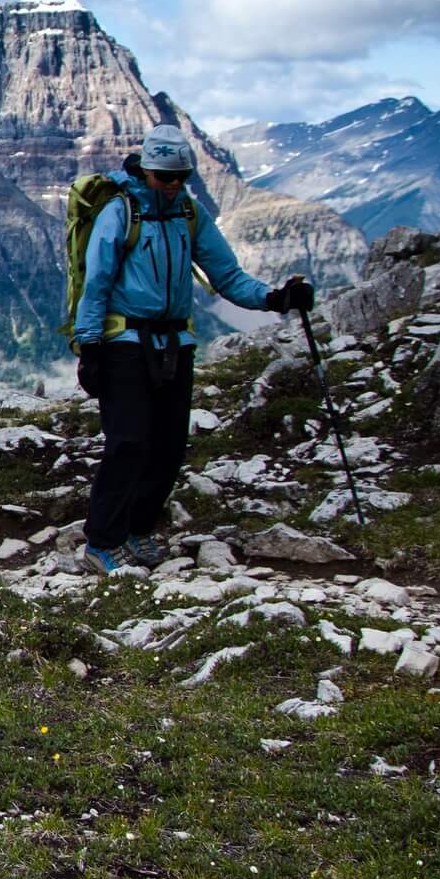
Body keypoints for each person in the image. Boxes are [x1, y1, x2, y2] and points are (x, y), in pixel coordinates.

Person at [73, 123, 311, 573]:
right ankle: (101, 543)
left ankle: (138, 530)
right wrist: (90, 349)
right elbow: (96, 284)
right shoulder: (119, 214)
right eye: (166, 177)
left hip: (175, 344)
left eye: (182, 176)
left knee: (168, 445)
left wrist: (275, 299)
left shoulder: (188, 213)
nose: (175, 185)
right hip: (124, 342)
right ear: (146, 172)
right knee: (128, 441)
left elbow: (227, 276)